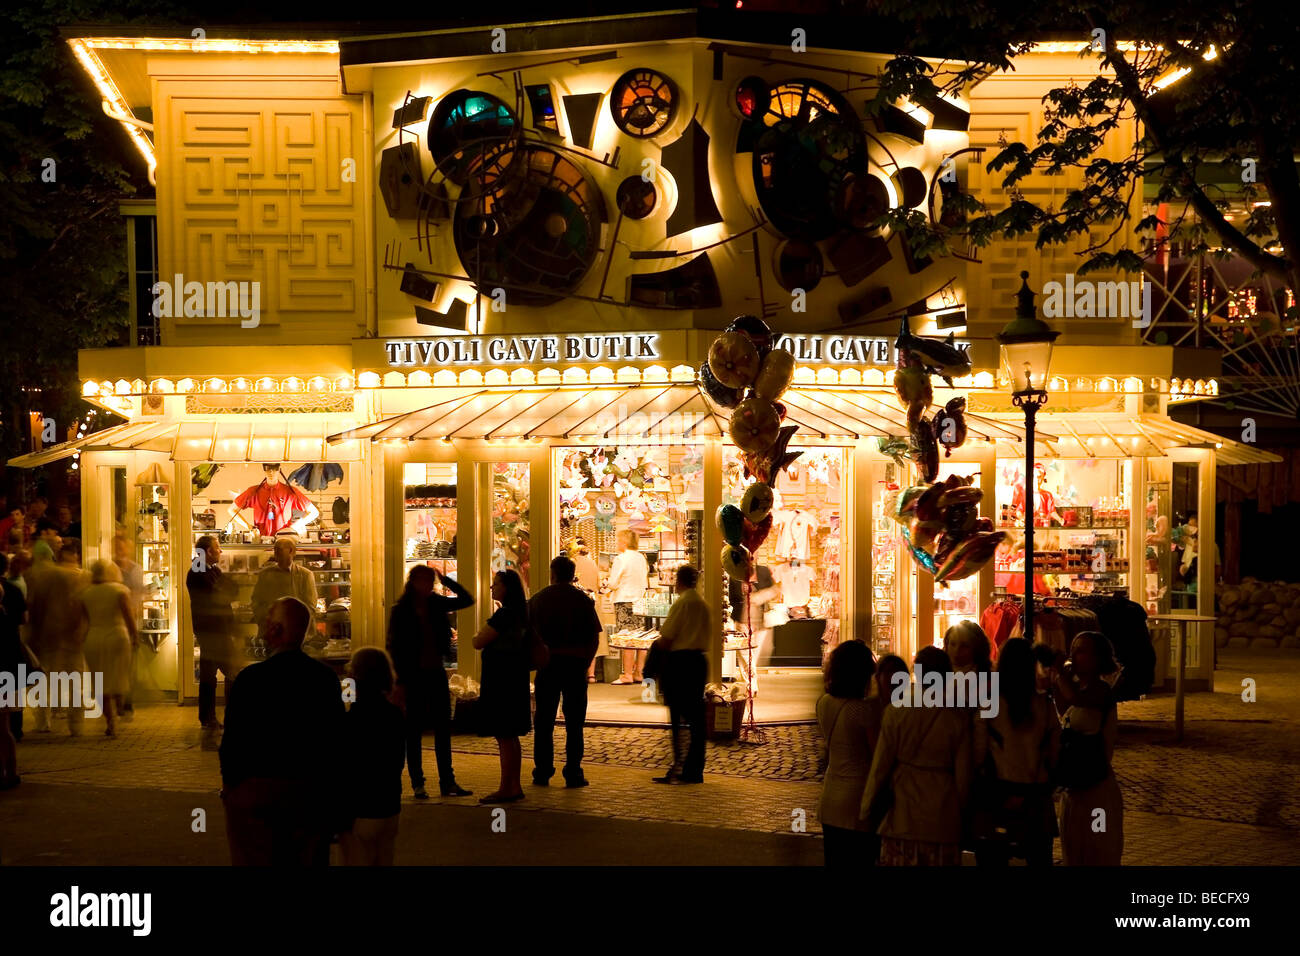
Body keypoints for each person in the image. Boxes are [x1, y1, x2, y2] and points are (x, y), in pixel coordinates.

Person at [220, 597, 346, 866]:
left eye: (268, 621)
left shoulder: (250, 679)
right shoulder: (324, 679)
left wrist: (231, 788)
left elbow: (232, 743)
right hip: (309, 794)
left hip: (259, 795)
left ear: (275, 630)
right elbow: (336, 743)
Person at [860, 646, 972, 866]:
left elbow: (880, 767)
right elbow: (963, 778)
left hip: (903, 817)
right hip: (942, 820)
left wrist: (867, 809)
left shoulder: (897, 711)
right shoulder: (957, 718)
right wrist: (964, 818)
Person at [386, 565, 474, 798]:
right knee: (413, 730)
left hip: (435, 671)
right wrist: (398, 680)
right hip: (412, 675)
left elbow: (467, 600)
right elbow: (394, 646)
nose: (427, 586)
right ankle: (418, 783)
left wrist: (447, 581)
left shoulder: (436, 603)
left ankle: (447, 781)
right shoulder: (401, 610)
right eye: (423, 581)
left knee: (442, 728)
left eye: (430, 581)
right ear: (413, 582)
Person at [971, 638, 1060, 866]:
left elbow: (978, 755)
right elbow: (1054, 754)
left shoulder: (989, 705)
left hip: (998, 795)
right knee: (1039, 859)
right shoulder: (1045, 705)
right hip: (1036, 798)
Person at [1050, 631, 1124, 866]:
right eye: (1074, 649)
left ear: (1097, 658)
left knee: (1098, 846)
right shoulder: (1077, 688)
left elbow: (1074, 700)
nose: (1074, 655)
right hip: (1075, 788)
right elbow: (1062, 708)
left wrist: (1061, 673)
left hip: (1097, 789)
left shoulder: (1101, 691)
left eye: (1082, 650)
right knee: (1074, 848)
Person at [529, 555, 602, 788]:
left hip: (548, 665)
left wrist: (536, 657)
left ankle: (542, 771)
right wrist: (586, 663)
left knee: (543, 721)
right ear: (572, 575)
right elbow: (593, 637)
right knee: (574, 723)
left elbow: (527, 634)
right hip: (574, 665)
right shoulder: (582, 600)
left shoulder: (538, 600)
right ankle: (573, 771)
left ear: (552, 573)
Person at [339, 647, 405, 866]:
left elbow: (350, 770)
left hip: (363, 809)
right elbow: (396, 761)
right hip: (389, 806)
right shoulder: (394, 715)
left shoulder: (353, 720)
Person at [817, 639, 879, 865]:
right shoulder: (864, 711)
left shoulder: (824, 703)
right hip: (857, 802)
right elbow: (876, 758)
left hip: (830, 798)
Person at [473, 569, 532, 804]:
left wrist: (479, 635)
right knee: (509, 735)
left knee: (505, 733)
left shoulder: (505, 615)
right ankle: (512, 785)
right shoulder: (520, 613)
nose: (492, 587)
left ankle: (508, 787)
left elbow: (479, 641)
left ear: (507, 588)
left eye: (496, 584)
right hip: (513, 678)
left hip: (502, 680)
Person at [651, 565, 710, 784]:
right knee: (696, 720)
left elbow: (667, 637)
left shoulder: (683, 603)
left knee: (679, 718)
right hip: (698, 662)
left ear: (679, 581)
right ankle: (694, 768)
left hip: (681, 663)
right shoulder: (702, 604)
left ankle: (680, 767)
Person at [26, 540, 88, 735]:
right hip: (71, 634)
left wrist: (33, 633)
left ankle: (43, 722)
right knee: (74, 679)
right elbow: (77, 604)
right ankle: (76, 724)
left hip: (46, 635)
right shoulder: (67, 575)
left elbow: (32, 607)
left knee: (41, 681)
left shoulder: (31, 576)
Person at [186, 535, 241, 739]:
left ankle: (210, 717)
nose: (221, 551)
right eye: (217, 548)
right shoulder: (199, 570)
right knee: (228, 673)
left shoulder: (212, 570)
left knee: (213, 675)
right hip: (212, 631)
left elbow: (229, 590)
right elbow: (220, 592)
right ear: (208, 552)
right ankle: (219, 717)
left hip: (217, 630)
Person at [76, 560, 137, 737]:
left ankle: (110, 722)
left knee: (100, 681)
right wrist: (134, 635)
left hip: (94, 638)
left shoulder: (86, 593)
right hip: (118, 636)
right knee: (119, 676)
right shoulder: (120, 590)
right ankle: (120, 707)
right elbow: (128, 615)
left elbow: (83, 621)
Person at [250, 537, 318, 641]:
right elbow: (256, 601)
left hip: (297, 635)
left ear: (291, 551)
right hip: (271, 633)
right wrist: (265, 620)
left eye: (279, 549)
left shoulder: (305, 575)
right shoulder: (265, 574)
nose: (275, 552)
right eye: (275, 549)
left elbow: (310, 606)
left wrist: (294, 626)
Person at [608, 529, 649, 684]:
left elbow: (612, 583)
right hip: (640, 600)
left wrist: (607, 584)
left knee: (627, 637)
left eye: (618, 540)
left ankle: (627, 675)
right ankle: (639, 672)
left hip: (624, 600)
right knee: (641, 638)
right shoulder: (641, 558)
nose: (617, 543)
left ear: (624, 542)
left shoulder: (621, 558)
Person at [0, 553, 25, 789]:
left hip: (4, 665)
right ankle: (11, 771)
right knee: (5, 723)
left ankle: (6, 772)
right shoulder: (15, 591)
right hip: (9, 665)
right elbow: (23, 620)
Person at [113, 534, 144, 718]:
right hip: (114, 622)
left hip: (130, 620)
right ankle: (118, 701)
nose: (119, 551)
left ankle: (126, 701)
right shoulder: (109, 568)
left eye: (121, 547)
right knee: (116, 665)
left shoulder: (135, 569)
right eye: (117, 547)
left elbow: (137, 595)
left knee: (128, 665)